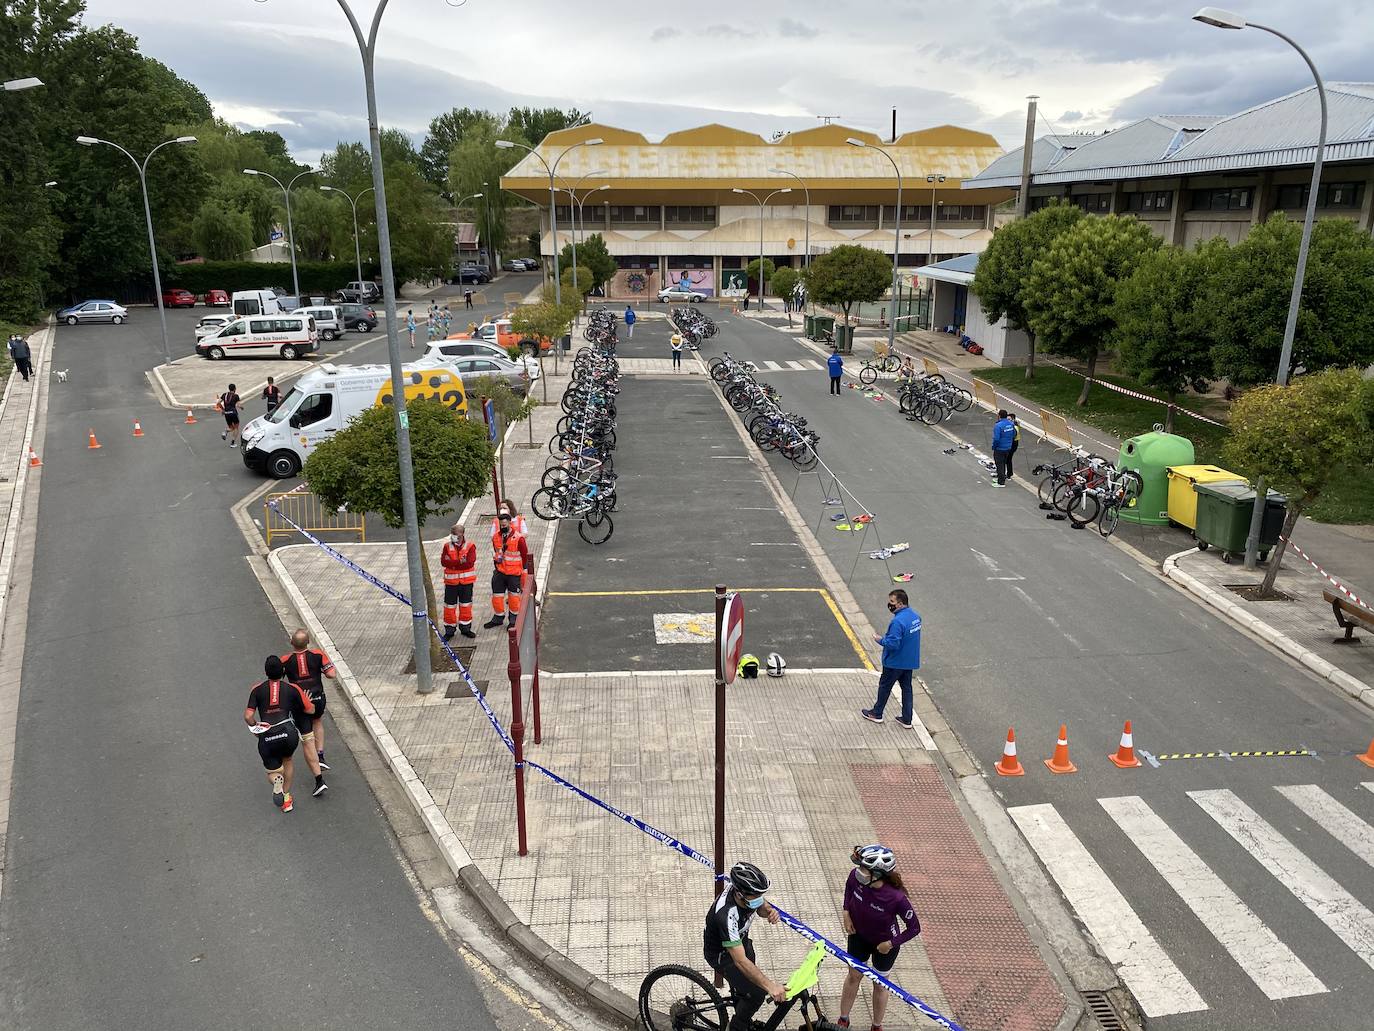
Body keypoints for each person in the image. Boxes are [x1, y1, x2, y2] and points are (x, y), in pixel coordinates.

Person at [835, 845, 920, 1031]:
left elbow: (914, 928)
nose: (858, 872)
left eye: (863, 869)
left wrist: (890, 944)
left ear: (878, 874)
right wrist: (846, 913)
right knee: (853, 976)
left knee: (880, 985)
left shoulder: (897, 898)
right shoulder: (855, 878)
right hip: (858, 937)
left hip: (885, 945)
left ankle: (876, 1025)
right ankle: (843, 1019)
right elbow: (848, 891)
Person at [703, 861, 786, 1031]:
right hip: (722, 955)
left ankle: (741, 1004)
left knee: (747, 988)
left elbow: (760, 907)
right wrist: (770, 986)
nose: (759, 899)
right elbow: (740, 961)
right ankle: (735, 1027)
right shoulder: (726, 915)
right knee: (757, 994)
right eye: (755, 896)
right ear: (740, 895)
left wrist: (769, 911)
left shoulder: (747, 896)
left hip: (741, 942)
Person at [244, 655, 315, 813]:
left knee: (273, 771)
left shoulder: (257, 689)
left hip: (268, 735)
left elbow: (248, 716)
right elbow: (310, 709)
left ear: (265, 671)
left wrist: (256, 728)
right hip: (288, 733)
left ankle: (277, 781)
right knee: (288, 760)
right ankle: (286, 799)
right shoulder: (292, 688)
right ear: (283, 671)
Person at [280, 628, 335, 796]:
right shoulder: (318, 654)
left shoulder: (285, 660)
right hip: (318, 698)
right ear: (308, 642)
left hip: (300, 703)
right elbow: (331, 674)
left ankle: (318, 778)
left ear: (291, 643)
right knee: (317, 721)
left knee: (306, 738)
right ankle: (321, 755)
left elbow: (277, 677)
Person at [862, 589, 921, 729]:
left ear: (900, 604)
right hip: (909, 661)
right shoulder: (916, 617)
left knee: (885, 687)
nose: (889, 604)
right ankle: (907, 719)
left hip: (895, 662)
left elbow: (893, 644)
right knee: (906, 689)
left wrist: (880, 640)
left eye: (892, 602)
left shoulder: (897, 622)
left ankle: (877, 713)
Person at [483, 507, 529, 628]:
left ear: (509, 523)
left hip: (514, 573)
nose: (503, 526)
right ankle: (498, 617)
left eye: (505, 524)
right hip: (500, 572)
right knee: (497, 596)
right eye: (501, 524)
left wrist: (520, 570)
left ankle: (513, 620)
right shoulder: (496, 537)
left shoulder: (519, 538)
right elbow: (496, 552)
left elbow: (524, 555)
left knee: (514, 598)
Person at [441, 522, 478, 640]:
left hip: (466, 583)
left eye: (455, 534)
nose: (452, 536)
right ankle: (449, 630)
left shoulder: (470, 546)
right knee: (449, 607)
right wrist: (459, 562)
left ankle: (465, 629)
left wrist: (453, 564)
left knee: (465, 606)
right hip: (451, 584)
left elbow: (469, 563)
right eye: (452, 534)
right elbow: (444, 562)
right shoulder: (447, 546)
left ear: (462, 534)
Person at [991, 409, 1016, 487]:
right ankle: (1001, 478)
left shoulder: (998, 425)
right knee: (1003, 463)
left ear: (999, 416)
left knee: (999, 465)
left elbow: (996, 439)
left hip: (1000, 448)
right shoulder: (1011, 424)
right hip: (1008, 447)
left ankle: (1001, 482)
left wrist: (994, 446)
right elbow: (1014, 434)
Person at [1008, 413, 1021, 479]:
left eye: (1009, 419)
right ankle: (1009, 473)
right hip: (1012, 444)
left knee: (1008, 459)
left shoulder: (1014, 427)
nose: (1008, 421)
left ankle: (1009, 474)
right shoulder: (1014, 425)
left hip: (1013, 444)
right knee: (1008, 459)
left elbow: (1012, 436)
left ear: (1013, 419)